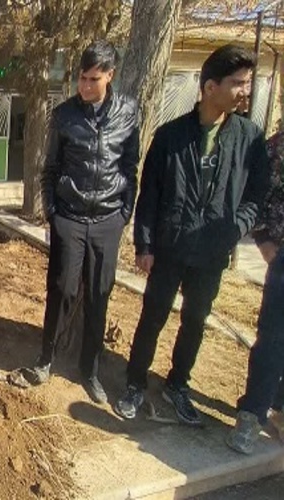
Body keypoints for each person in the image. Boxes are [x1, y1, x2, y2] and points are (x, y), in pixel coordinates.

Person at [115, 44, 270, 425]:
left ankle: (178, 384)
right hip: (169, 247)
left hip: (212, 251)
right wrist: (145, 244)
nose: (245, 91)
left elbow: (256, 195)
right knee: (153, 316)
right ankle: (135, 383)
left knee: (196, 320)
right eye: (238, 83)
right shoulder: (170, 137)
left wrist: (238, 226)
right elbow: (149, 193)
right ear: (210, 86)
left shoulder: (249, 138)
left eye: (248, 83)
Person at [30, 40, 140, 403]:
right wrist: (54, 215)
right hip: (71, 219)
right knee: (62, 290)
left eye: (94, 79)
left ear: (110, 76)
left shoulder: (128, 112)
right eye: (81, 78)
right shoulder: (64, 116)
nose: (85, 86)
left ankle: (89, 371)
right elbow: (50, 170)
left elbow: (130, 167)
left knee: (98, 297)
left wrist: (124, 213)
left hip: (108, 220)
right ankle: (46, 359)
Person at [227, 128, 284, 454]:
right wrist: (263, 241)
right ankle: (251, 415)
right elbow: (256, 195)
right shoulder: (276, 148)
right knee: (273, 340)